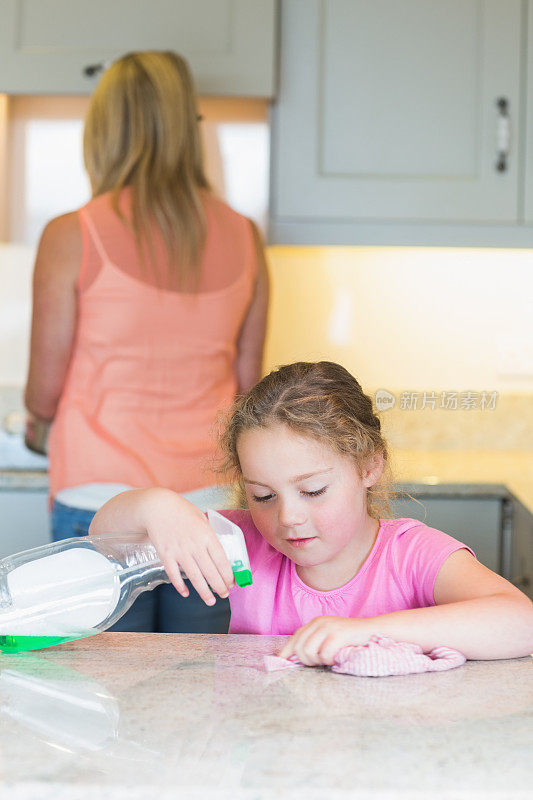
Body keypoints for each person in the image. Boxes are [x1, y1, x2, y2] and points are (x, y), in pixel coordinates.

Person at [23, 51, 269, 634]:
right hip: (210, 506)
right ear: (189, 128)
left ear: (102, 132)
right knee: (200, 693)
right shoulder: (245, 235)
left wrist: (37, 422)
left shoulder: (71, 234)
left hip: (99, 502)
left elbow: (42, 393)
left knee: (103, 695)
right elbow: (252, 388)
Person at [89, 361, 533, 662]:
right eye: (263, 496)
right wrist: (154, 505)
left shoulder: (411, 554)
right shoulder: (242, 543)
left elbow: (522, 622)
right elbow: (104, 542)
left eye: (314, 490)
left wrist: (364, 633)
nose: (288, 518)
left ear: (368, 465)